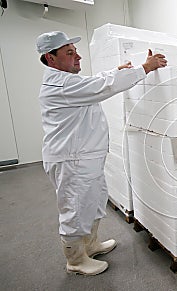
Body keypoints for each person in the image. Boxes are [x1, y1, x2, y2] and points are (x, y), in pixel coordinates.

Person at [36, 31, 167, 275]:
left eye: (75, 51)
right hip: (72, 160)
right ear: (50, 58)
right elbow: (100, 86)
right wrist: (144, 69)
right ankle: (75, 260)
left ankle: (90, 245)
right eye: (69, 53)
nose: (78, 56)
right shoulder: (61, 85)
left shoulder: (68, 81)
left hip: (84, 157)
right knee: (75, 208)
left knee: (93, 201)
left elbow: (94, 81)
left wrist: (117, 71)